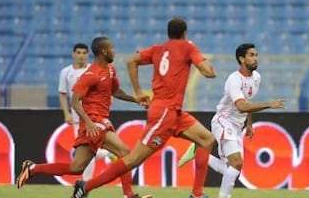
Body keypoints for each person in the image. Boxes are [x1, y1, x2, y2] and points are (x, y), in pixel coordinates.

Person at [71, 17, 217, 198]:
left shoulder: (158, 49)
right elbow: (209, 72)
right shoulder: (188, 47)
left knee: (206, 139)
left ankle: (196, 194)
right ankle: (85, 188)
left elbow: (132, 60)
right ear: (184, 33)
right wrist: (203, 60)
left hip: (175, 112)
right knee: (132, 159)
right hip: (164, 112)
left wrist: (139, 91)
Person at [16, 37, 151, 198]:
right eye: (112, 48)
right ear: (103, 51)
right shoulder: (91, 74)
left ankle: (32, 169)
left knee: (77, 168)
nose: (114, 51)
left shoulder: (110, 70)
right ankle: (128, 195)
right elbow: (74, 101)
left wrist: (136, 100)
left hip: (96, 122)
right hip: (94, 121)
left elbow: (115, 92)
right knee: (125, 152)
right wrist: (88, 122)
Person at [178, 43, 286, 198]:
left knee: (234, 169)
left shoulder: (256, 78)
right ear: (241, 59)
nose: (256, 58)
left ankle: (199, 151)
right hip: (224, 120)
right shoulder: (234, 80)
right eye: (251, 55)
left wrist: (249, 124)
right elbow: (242, 106)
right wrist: (269, 104)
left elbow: (247, 101)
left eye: (256, 55)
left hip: (237, 126)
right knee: (236, 163)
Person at [58, 42, 116, 181]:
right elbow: (63, 93)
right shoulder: (66, 72)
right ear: (73, 54)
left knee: (88, 151)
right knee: (87, 152)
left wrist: (109, 97)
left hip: (93, 117)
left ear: (88, 55)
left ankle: (85, 183)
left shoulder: (93, 69)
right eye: (78, 53)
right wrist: (66, 113)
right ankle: (107, 154)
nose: (81, 56)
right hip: (77, 116)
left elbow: (105, 86)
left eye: (84, 53)